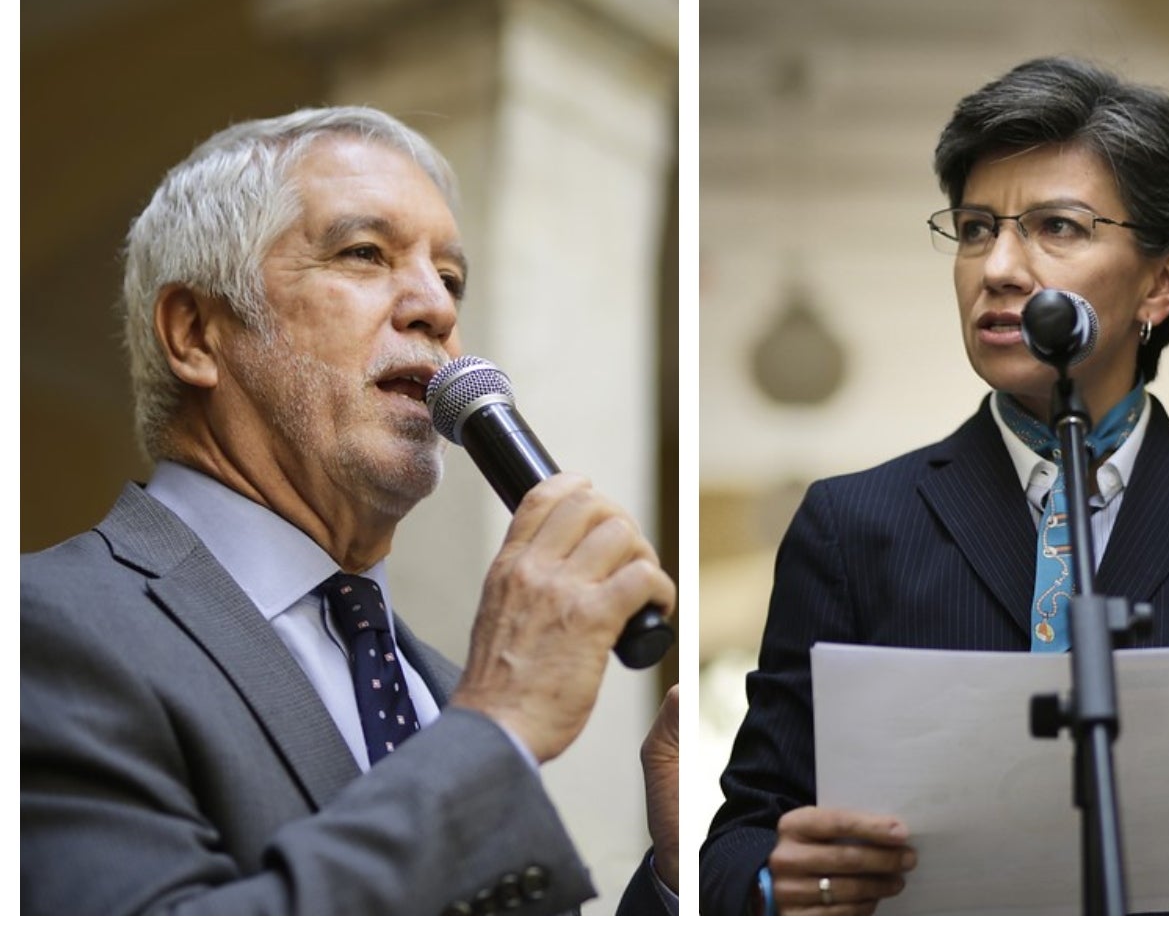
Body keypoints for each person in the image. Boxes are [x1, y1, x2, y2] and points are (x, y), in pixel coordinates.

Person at [700, 57, 1169, 915]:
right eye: (974, 228)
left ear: (1164, 279)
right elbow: (741, 837)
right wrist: (777, 879)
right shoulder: (852, 526)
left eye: (1057, 227)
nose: (998, 266)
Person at [21, 106, 679, 915]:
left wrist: (675, 885)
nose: (436, 309)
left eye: (451, 278)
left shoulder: (436, 686)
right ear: (194, 334)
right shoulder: (45, 625)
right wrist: (497, 731)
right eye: (364, 254)